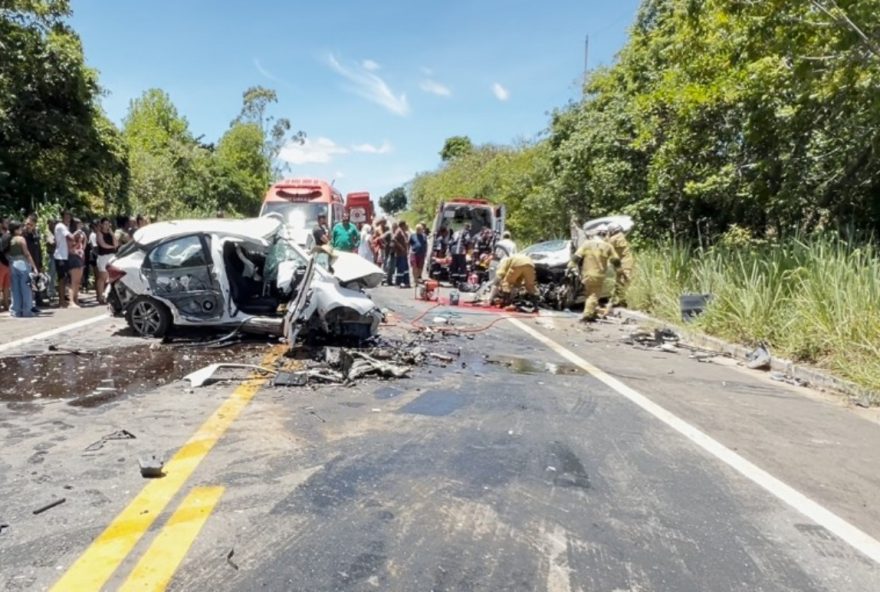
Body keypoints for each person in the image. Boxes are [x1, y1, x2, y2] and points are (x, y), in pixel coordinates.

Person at [568, 230, 619, 322]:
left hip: (586, 274)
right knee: (594, 295)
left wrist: (570, 266)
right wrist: (619, 270)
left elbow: (576, 257)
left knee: (589, 294)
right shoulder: (608, 246)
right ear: (605, 235)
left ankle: (593, 313)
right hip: (599, 275)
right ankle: (587, 315)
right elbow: (615, 260)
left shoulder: (587, 244)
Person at [5, 221, 37, 318]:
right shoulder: (21, 239)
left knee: (15, 289)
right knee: (26, 288)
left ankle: (16, 310)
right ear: (16, 230)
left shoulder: (9, 239)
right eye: (20, 228)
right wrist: (34, 267)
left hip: (12, 263)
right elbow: (26, 253)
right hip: (22, 263)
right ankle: (27, 310)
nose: (22, 229)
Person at [605, 223, 634, 307]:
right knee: (619, 282)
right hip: (623, 262)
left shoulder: (615, 238)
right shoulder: (620, 235)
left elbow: (606, 245)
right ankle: (620, 300)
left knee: (624, 281)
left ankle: (625, 301)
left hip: (625, 263)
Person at [95, 217, 118, 305]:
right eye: (105, 224)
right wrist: (112, 247)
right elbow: (102, 244)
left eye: (108, 224)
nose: (106, 226)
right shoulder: (99, 233)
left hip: (111, 256)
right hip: (103, 257)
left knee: (110, 277)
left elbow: (116, 243)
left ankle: (107, 295)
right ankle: (100, 296)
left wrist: (112, 234)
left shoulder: (110, 233)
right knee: (103, 277)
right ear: (101, 225)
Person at [54, 211, 73, 307]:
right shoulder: (60, 226)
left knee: (65, 278)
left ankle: (63, 300)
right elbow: (71, 237)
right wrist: (79, 232)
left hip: (65, 255)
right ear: (62, 217)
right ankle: (61, 301)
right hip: (60, 256)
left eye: (69, 217)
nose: (68, 219)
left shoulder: (66, 227)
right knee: (61, 279)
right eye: (66, 217)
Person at [66, 218, 86, 308]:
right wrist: (75, 235)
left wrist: (83, 238)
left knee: (78, 281)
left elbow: (84, 244)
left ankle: (76, 299)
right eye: (78, 224)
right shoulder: (69, 234)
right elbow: (69, 246)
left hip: (80, 256)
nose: (80, 226)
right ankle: (71, 301)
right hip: (73, 256)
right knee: (73, 281)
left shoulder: (81, 233)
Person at [24, 215, 43, 309]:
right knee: (28, 284)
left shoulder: (35, 235)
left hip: (35, 261)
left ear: (34, 225)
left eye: (30, 224)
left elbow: (39, 250)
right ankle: (29, 305)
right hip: (26, 262)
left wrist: (40, 263)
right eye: (27, 223)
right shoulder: (23, 235)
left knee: (35, 283)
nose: (28, 226)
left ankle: (35, 303)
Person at [393, 221, 411, 288]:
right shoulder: (398, 231)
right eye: (405, 225)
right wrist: (401, 247)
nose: (406, 226)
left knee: (406, 269)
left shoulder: (403, 231)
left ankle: (406, 282)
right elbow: (394, 239)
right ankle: (398, 283)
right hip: (400, 254)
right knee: (400, 269)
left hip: (404, 254)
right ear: (402, 225)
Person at [0, 218, 10, 312]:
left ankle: (6, 305)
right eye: (5, 222)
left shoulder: (7, 235)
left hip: (7, 263)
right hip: (2, 263)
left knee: (6, 286)